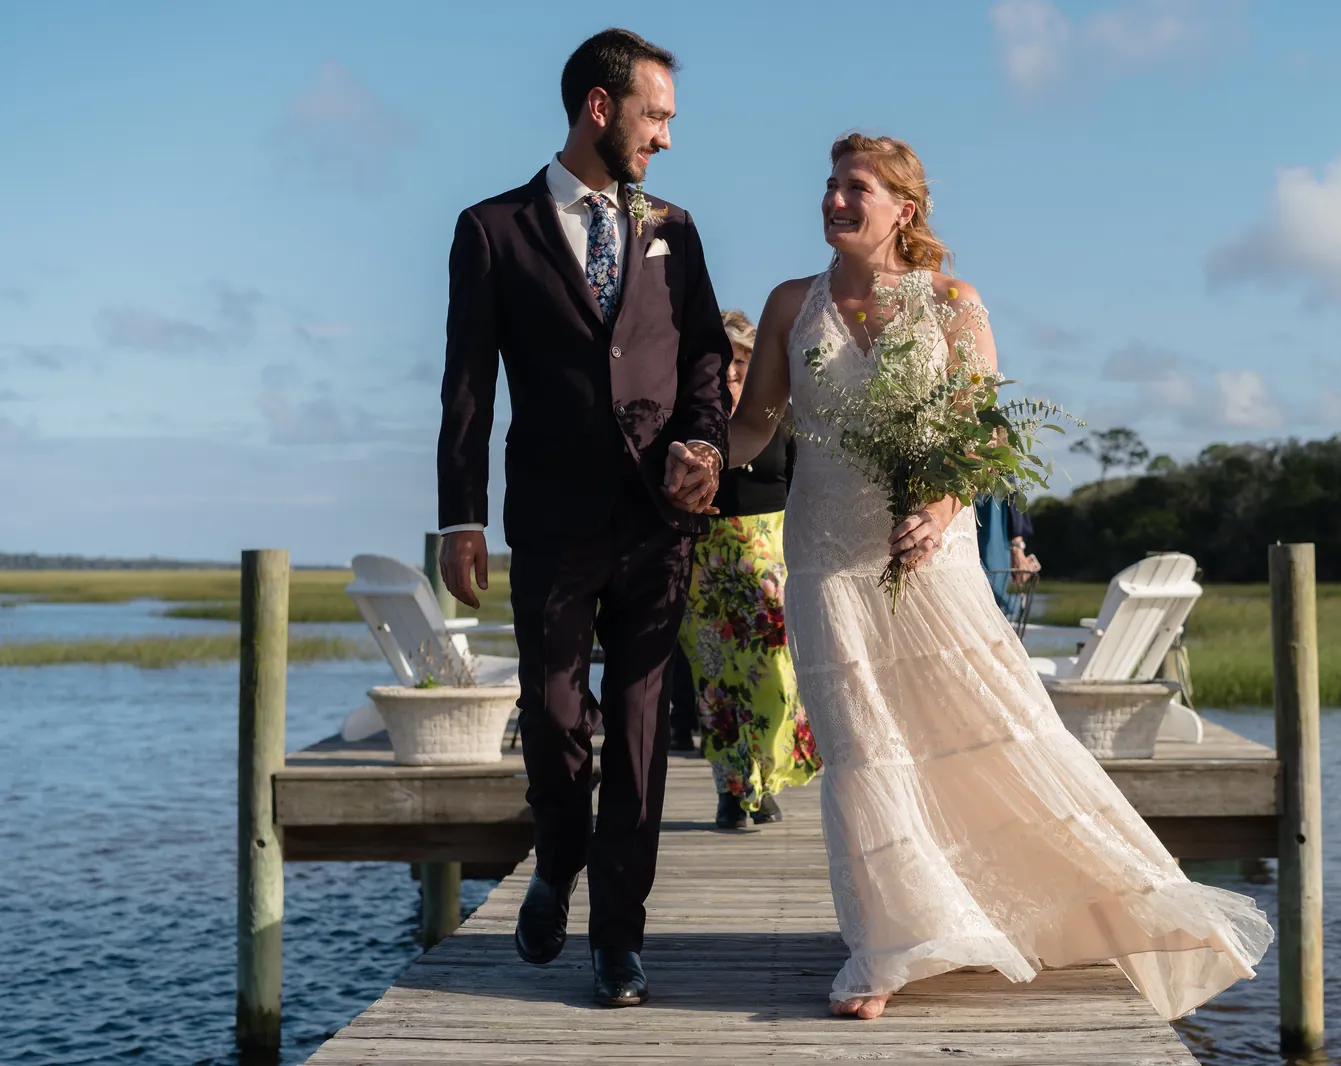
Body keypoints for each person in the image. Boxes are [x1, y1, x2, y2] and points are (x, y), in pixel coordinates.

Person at [721, 133, 1273, 1021]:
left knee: (987, 726)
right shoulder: (791, 304)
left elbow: (981, 440)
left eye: (854, 187)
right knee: (863, 747)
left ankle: (1099, 900)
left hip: (928, 560)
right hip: (825, 554)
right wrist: (707, 453)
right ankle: (889, 944)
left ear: (904, 208)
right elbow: (756, 426)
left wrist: (939, 511)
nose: (833, 200)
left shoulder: (952, 303)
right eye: (828, 186)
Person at [434, 28, 730, 1009]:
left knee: (641, 733)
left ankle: (618, 939)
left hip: (658, 526)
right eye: (657, 117)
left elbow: (699, 361)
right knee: (556, 720)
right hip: (553, 523)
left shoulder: (677, 232)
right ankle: (557, 856)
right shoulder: (493, 230)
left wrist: (706, 445)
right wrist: (460, 520)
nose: (668, 139)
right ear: (599, 111)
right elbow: (467, 390)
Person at [678, 309, 822, 830]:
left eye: (741, 365)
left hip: (772, 559)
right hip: (705, 562)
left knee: (775, 680)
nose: (732, 377)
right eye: (723, 367)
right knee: (716, 681)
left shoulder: (782, 416)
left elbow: (806, 485)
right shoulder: (689, 422)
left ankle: (765, 776)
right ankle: (734, 792)